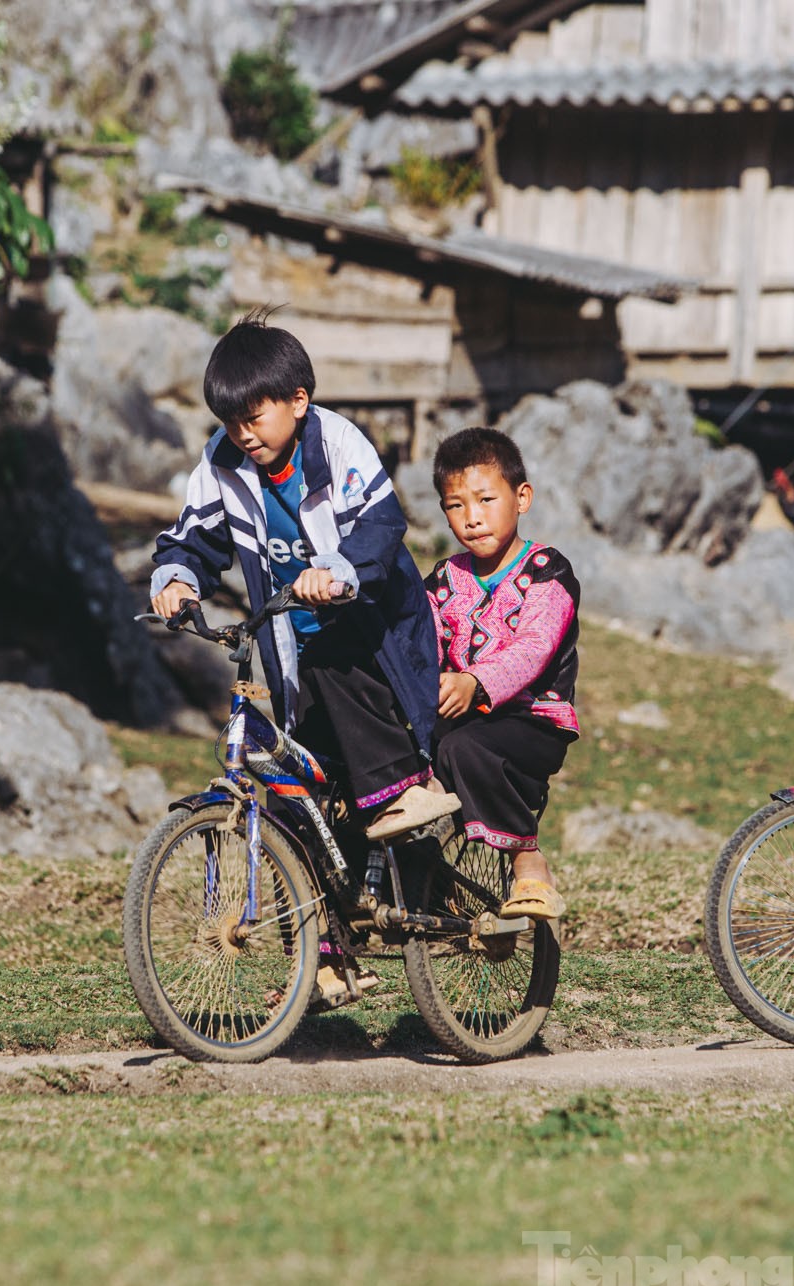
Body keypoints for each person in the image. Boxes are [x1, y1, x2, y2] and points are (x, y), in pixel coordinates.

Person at [150, 309, 459, 867]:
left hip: (373, 636)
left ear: (297, 400)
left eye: (254, 416)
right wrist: (177, 579)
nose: (242, 433)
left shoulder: (338, 442)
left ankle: (409, 789)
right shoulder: (223, 460)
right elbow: (194, 536)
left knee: (331, 679)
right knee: (297, 792)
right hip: (292, 644)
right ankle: (323, 950)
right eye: (229, 419)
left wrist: (338, 572)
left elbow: (382, 529)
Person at [424, 427, 580, 921]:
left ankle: (529, 863)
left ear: (522, 497)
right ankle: (422, 884)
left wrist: (475, 682)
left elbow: (533, 648)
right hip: (462, 719)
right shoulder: (444, 580)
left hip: (531, 722)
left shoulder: (547, 571)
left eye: (486, 499)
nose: (471, 518)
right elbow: (419, 643)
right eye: (455, 506)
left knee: (461, 748)